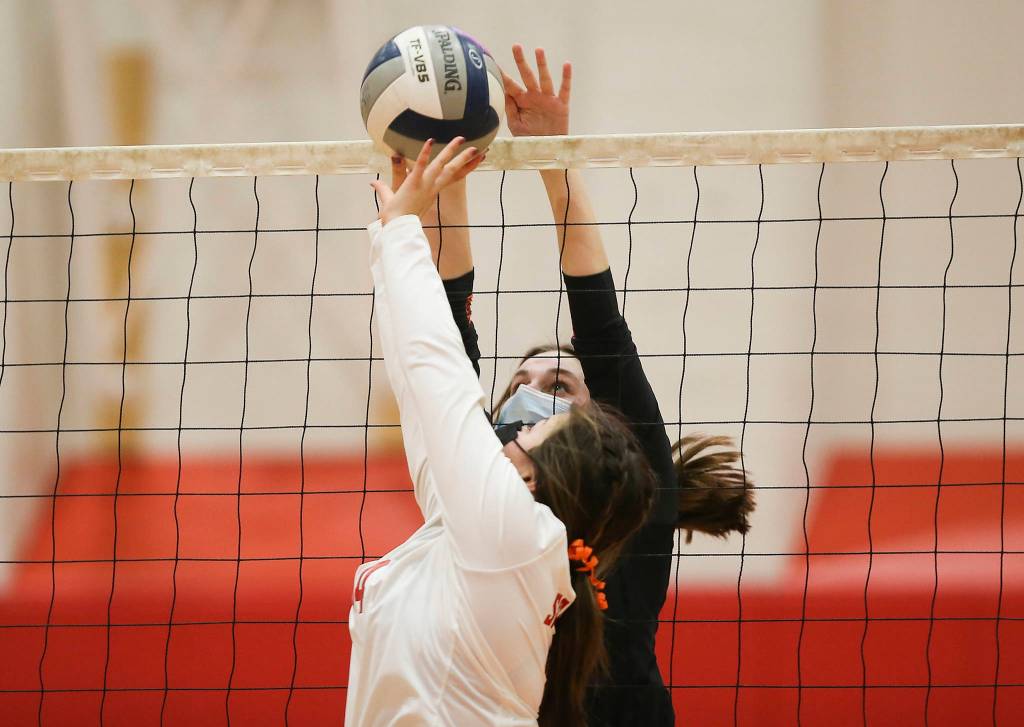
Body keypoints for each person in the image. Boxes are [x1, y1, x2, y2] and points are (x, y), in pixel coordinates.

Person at [413, 46, 756, 725]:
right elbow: (452, 341)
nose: (529, 398)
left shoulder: (633, 507)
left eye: (559, 385)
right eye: (519, 384)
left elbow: (600, 321)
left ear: (603, 429)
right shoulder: (485, 495)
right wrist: (449, 174)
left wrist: (554, 161)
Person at [346, 137, 657, 727]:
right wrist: (395, 237)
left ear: (543, 472)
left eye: (541, 420)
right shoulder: (491, 533)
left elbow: (440, 379)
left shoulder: (513, 538)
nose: (517, 420)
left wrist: (402, 230)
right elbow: (421, 393)